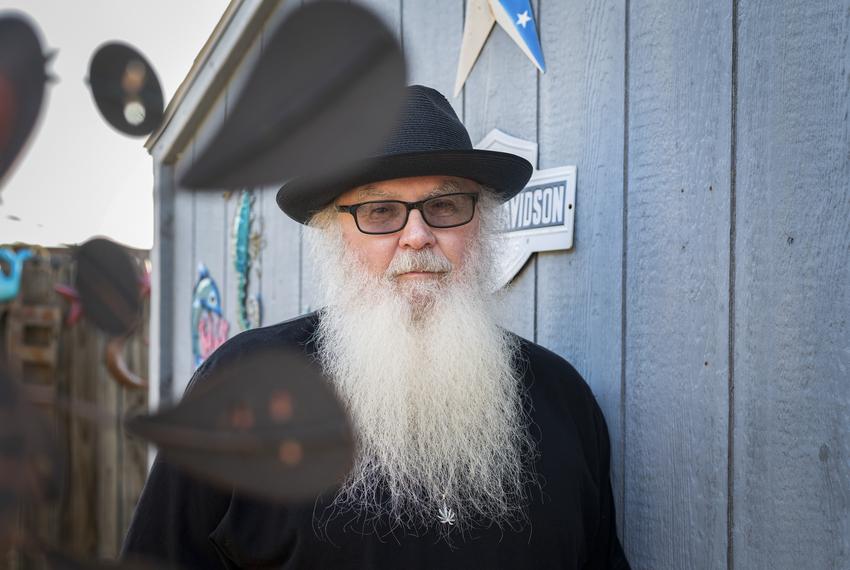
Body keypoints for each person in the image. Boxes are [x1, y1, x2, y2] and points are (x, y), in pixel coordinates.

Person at [121, 85, 630, 569]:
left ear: (482, 224)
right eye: (380, 211)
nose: (417, 235)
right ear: (334, 233)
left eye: (445, 206)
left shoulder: (564, 401)